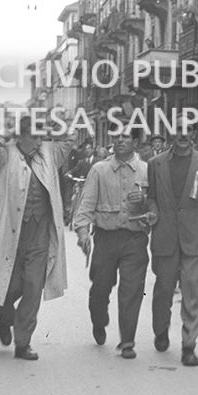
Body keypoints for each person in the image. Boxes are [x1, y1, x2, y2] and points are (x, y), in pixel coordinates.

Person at [0, 117, 73, 360]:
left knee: (33, 287)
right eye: (34, 136)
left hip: (40, 233)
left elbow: (70, 139)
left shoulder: (49, 152)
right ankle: (4, 313)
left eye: (41, 136)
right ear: (20, 136)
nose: (39, 141)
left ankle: (22, 342)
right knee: (10, 286)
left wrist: (50, 123)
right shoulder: (3, 155)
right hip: (11, 234)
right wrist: (11, 128)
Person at [144, 125, 198, 367]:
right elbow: (151, 197)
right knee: (163, 289)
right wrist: (152, 211)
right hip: (165, 236)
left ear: (193, 134)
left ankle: (189, 345)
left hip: (195, 237)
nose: (182, 135)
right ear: (171, 133)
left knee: (192, 289)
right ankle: (161, 330)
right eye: (178, 129)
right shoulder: (155, 163)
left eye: (187, 130)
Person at [73, 130, 151, 359]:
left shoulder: (147, 170)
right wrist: (83, 232)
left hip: (134, 239)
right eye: (116, 137)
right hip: (106, 239)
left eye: (127, 137)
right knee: (100, 289)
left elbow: (156, 206)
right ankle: (99, 320)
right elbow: (86, 203)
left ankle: (127, 341)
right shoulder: (99, 170)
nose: (120, 141)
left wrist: (146, 206)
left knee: (132, 291)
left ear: (135, 142)